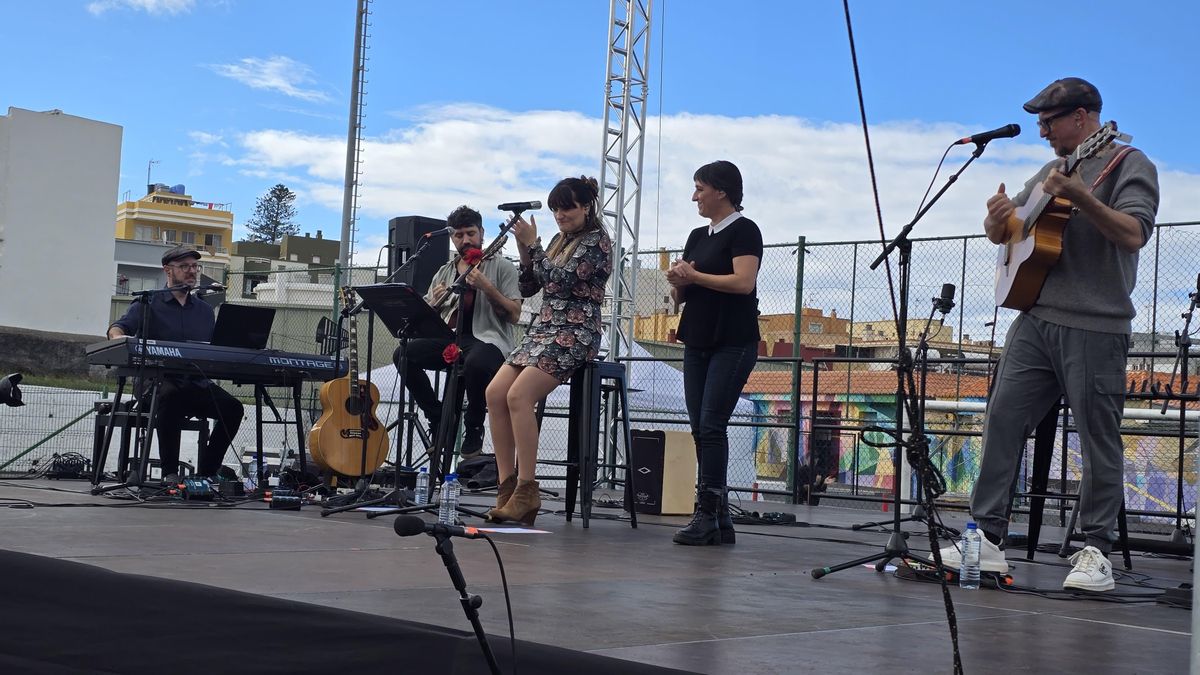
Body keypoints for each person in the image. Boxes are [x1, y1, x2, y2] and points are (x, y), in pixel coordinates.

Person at [940, 78, 1159, 591]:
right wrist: (996, 222)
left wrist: (1084, 196)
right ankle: (985, 538)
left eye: (1049, 121)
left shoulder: (1128, 164)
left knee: (1097, 438)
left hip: (1096, 325)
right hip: (1035, 318)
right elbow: (1009, 229)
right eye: (1038, 122)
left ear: (1083, 118)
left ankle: (1094, 550)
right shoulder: (1049, 171)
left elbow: (1133, 234)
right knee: (1002, 421)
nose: (1041, 131)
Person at [483, 176, 612, 525]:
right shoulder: (558, 241)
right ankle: (505, 485)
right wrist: (526, 251)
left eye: (567, 207)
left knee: (518, 397)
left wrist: (534, 245)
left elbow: (561, 281)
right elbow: (529, 286)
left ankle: (527, 488)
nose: (560, 214)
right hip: (543, 330)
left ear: (586, 206)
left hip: (576, 330)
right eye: (555, 208)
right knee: (495, 393)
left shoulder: (597, 242)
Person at [666, 160, 763, 546]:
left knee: (711, 425)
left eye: (700, 189)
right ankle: (718, 517)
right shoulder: (696, 235)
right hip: (698, 338)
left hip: (733, 340)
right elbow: (683, 294)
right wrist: (678, 283)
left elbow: (743, 282)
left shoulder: (745, 230)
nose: (695, 197)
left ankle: (706, 512)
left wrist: (694, 276)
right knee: (699, 428)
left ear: (721, 191)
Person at [392, 206, 522, 458]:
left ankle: (473, 427)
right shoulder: (444, 272)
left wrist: (487, 288)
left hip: (488, 340)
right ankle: (438, 417)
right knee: (403, 354)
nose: (465, 240)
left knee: (476, 362)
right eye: (459, 235)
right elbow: (423, 318)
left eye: (471, 233)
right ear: (452, 237)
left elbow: (514, 314)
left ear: (482, 233)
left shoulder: (502, 267)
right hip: (449, 338)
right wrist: (433, 303)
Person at [107, 245, 245, 481]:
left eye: (194, 266)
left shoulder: (204, 310)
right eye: (184, 267)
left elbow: (213, 348)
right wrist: (120, 339)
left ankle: (207, 473)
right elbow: (117, 329)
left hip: (196, 384)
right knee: (171, 398)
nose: (191, 271)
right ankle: (170, 474)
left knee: (233, 408)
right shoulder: (148, 303)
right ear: (168, 271)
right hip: (156, 385)